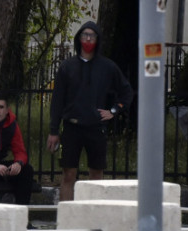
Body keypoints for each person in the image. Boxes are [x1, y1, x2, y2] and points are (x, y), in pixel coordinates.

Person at [46, 21, 134, 202]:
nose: (88, 38)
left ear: (97, 39)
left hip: (96, 128)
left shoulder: (107, 67)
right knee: (68, 174)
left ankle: (95, 214)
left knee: (96, 175)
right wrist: (54, 130)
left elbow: (127, 91)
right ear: (79, 38)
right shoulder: (66, 67)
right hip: (72, 127)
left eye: (91, 35)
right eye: (84, 35)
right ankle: (67, 218)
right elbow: (57, 101)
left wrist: (114, 110)